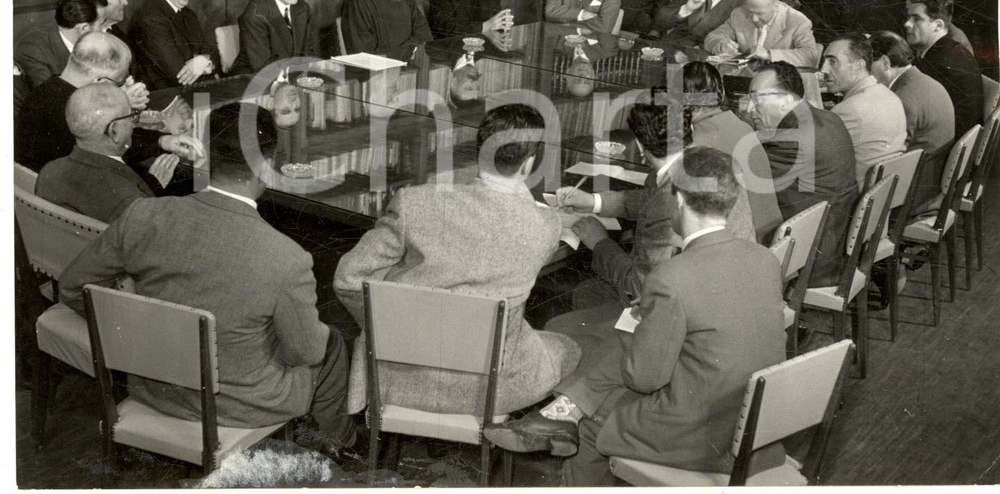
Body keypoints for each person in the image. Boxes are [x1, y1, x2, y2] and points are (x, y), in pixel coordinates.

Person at [59, 103, 357, 459]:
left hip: (154, 389)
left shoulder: (142, 215)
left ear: (205, 156)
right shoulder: (288, 257)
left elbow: (72, 287)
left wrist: (134, 330)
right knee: (330, 344)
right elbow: (305, 353)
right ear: (266, 165)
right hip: (239, 406)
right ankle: (341, 452)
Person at [485, 148, 786, 486]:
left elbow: (644, 379)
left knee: (590, 420)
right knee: (621, 352)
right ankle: (562, 411)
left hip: (700, 438)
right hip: (754, 425)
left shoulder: (671, 277)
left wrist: (646, 329)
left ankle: (565, 414)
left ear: (678, 201)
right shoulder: (764, 259)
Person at [334, 104, 581, 416]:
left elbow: (348, 279)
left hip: (398, 378)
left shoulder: (414, 203)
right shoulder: (545, 226)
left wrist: (387, 329)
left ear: (479, 152)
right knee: (569, 348)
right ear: (529, 163)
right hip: (486, 390)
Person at [549, 98, 758, 326]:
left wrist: (599, 242)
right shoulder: (716, 162)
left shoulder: (669, 203)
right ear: (688, 129)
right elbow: (652, 197)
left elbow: (638, 288)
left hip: (690, 313)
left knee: (583, 291)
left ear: (640, 147)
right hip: (733, 289)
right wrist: (594, 202)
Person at [15, 32, 195, 175]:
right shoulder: (78, 112)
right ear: (100, 81)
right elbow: (114, 147)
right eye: (120, 81)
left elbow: (109, 139)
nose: (124, 85)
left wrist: (162, 140)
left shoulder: (44, 91)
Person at [746, 61, 857, 287]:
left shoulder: (790, 141)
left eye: (757, 99)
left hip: (809, 264)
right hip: (833, 246)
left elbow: (745, 179)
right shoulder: (829, 118)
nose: (749, 108)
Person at [36, 83, 178, 222]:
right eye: (132, 116)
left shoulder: (49, 171)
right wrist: (152, 188)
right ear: (114, 131)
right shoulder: (132, 203)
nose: (133, 124)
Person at [680, 62, 783, 241]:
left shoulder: (697, 144)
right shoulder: (744, 127)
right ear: (722, 92)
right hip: (769, 235)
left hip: (746, 242)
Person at [870, 31, 955, 209]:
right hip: (932, 180)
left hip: (914, 195)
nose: (866, 73)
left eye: (869, 64)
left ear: (885, 62)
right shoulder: (923, 81)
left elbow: (887, 157)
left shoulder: (902, 98)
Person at [820, 35, 907, 189]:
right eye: (824, 61)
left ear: (859, 65)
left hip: (851, 196)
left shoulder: (847, 110)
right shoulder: (890, 96)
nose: (823, 70)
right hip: (880, 195)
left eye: (833, 62)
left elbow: (815, 159)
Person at [904, 0, 984, 138]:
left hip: (943, 145)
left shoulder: (942, 64)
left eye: (916, 19)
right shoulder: (943, 50)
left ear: (938, 26)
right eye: (909, 17)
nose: (907, 24)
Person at [130, 0, 221, 90]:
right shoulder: (149, 18)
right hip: (171, 97)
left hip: (198, 91)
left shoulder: (188, 14)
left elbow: (212, 53)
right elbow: (179, 75)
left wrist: (202, 61)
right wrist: (205, 62)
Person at [231, 0, 322, 74]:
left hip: (290, 76)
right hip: (253, 79)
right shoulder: (255, 14)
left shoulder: (302, 8)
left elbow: (310, 52)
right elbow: (264, 68)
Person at [703, 0, 819, 67]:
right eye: (750, 11)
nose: (754, 19)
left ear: (776, 5)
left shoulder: (797, 21)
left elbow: (810, 57)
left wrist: (769, 54)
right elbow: (711, 37)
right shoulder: (739, 14)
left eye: (760, 13)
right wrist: (722, 45)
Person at [14, 0, 109, 89]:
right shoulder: (31, 50)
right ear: (84, 28)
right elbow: (52, 97)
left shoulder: (92, 41)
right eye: (102, 24)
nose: (105, 29)